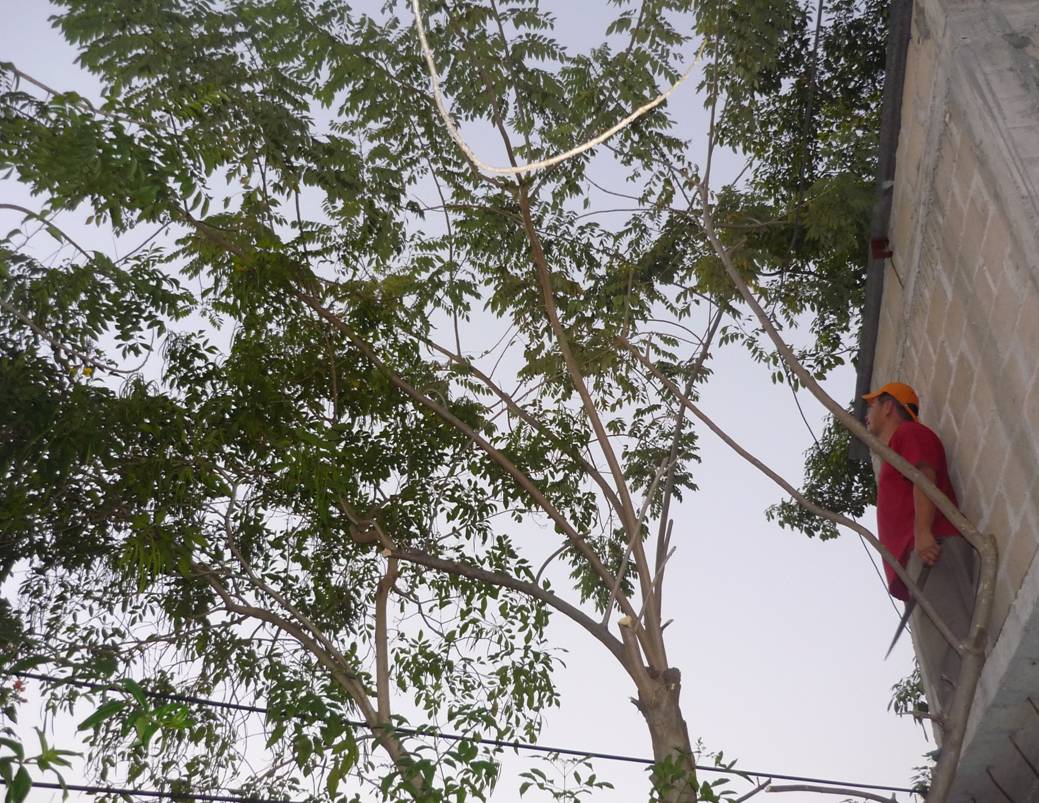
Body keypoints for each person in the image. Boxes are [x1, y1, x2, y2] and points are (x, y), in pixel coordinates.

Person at [863, 381, 977, 733]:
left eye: (872, 406)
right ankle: (954, 729)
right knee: (939, 651)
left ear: (888, 406)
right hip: (920, 564)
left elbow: (923, 474)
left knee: (952, 641)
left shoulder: (908, 434)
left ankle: (965, 724)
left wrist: (924, 532)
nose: (866, 414)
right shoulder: (896, 447)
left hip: (930, 553)